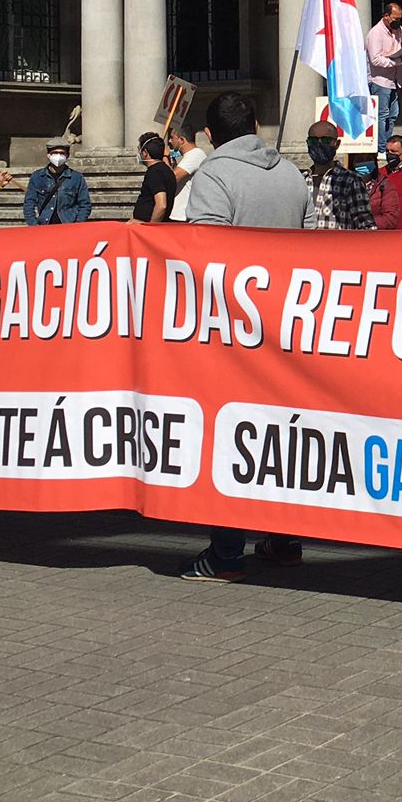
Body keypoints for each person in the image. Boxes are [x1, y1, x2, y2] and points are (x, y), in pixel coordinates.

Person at [179, 93, 318, 584]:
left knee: (228, 437)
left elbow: (207, 253)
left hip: (235, 332)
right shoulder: (291, 174)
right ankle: (285, 540)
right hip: (288, 327)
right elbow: (311, 245)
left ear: (209, 135)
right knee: (282, 436)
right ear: (257, 125)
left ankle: (226, 553)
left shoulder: (214, 175)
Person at [364, 1, 402, 147]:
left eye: (400, 19)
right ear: (386, 16)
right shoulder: (375, 33)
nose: (398, 22)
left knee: (393, 114)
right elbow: (375, 59)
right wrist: (397, 61)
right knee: (382, 115)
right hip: (379, 80)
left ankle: (386, 144)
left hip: (394, 80)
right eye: (395, 18)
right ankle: (381, 147)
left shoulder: (397, 29)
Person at [23, 143, 92, 225]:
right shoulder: (37, 176)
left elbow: (85, 204)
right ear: (48, 155)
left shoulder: (76, 177)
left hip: (68, 224)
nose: (58, 156)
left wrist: (77, 224)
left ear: (67, 155)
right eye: (55, 153)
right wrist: (34, 225)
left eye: (62, 153)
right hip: (45, 225)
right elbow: (29, 203)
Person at [132, 133, 178, 223]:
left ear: (145, 153)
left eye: (139, 150)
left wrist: (151, 227)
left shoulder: (155, 172)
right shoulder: (164, 170)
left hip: (147, 226)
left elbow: (161, 205)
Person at [167, 128, 205, 223]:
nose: (169, 141)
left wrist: (164, 157)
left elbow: (172, 178)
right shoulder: (190, 155)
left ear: (182, 140)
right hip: (179, 215)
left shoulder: (195, 154)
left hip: (184, 216)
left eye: (172, 137)